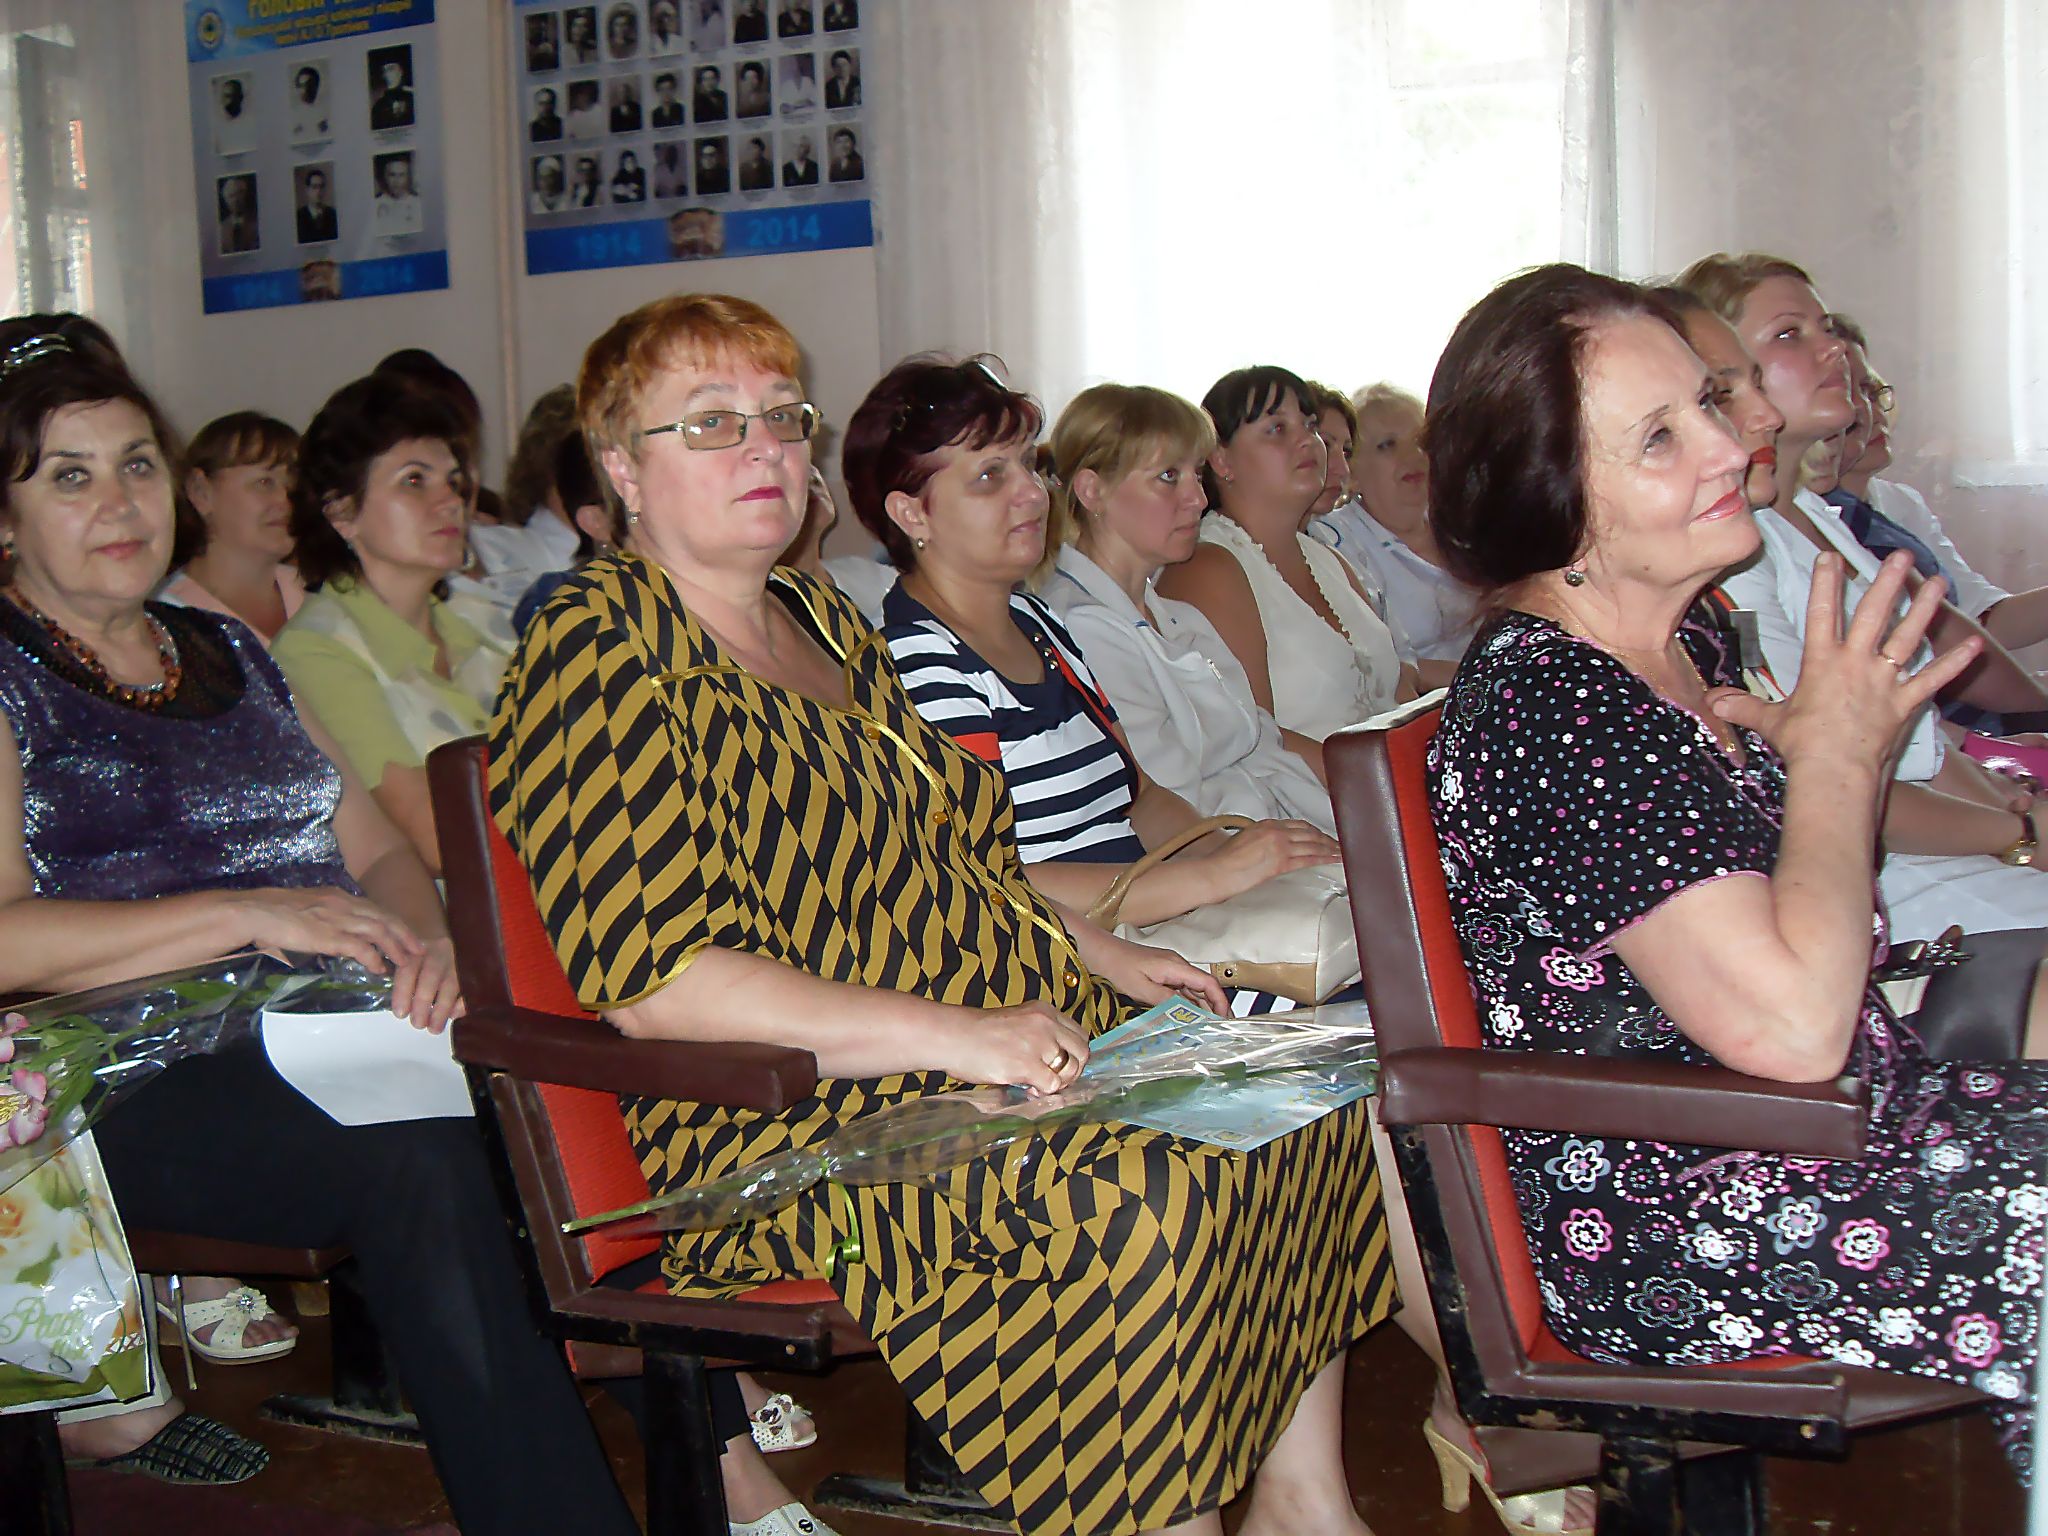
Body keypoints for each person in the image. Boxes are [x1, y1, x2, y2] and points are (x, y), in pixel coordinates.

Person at [491, 291, 1395, 1536]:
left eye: (779, 417)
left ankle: (1301, 1501)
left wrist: (1101, 951)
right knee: (1148, 1191)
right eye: (708, 423)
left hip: (976, 1039)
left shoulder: (817, 618)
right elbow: (663, 986)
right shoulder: (599, 651)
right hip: (790, 1118)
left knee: (1294, 1103)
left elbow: (955, 860)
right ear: (621, 469)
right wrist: (959, 1034)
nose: (763, 448)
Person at [0, 313, 635, 1532]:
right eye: (68, 477)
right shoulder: (8, 671)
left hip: (330, 1027)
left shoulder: (222, 647)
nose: (117, 502)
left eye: (136, 464)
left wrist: (430, 944)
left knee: (583, 1087)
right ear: (6, 519)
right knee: (425, 1166)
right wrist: (238, 913)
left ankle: (720, 1457)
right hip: (125, 1072)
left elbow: (380, 848)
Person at [1426, 259, 2048, 1483]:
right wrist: (1835, 758)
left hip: (1831, 1126)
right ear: (1555, 498)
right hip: (1680, 1211)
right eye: (1659, 436)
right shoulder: (1555, 704)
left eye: (1706, 404)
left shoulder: (1683, 642)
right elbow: (1789, 1030)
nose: (1726, 444)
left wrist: (1826, 757)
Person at [851, 356, 1344, 956]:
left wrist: (1244, 860)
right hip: (1061, 958)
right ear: (911, 513)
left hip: (1142, 918)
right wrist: (1210, 878)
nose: (1032, 492)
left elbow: (1142, 796)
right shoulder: (917, 663)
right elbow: (981, 879)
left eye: (1029, 465)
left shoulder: (1036, 622)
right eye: (990, 477)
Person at [1677, 256, 2048, 942]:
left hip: (1941, 838)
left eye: (1825, 327)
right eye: (1789, 335)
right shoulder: (1735, 555)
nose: (1834, 349)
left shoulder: (1818, 518)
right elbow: (1821, 779)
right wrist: (2019, 834)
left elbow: (1921, 739)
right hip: (1878, 878)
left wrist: (2013, 806)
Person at [1038, 383, 1333, 828]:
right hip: (1221, 853)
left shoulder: (1173, 615)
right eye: (1168, 477)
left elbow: (1261, 739)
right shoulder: (1078, 628)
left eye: (1197, 474)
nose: (1198, 498)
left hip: (1270, 829)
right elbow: (1167, 803)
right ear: (1092, 490)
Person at [271, 377, 512, 876]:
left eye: (453, 481)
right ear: (342, 511)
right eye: (414, 481)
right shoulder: (316, 653)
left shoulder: (489, 628)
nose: (450, 501)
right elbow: (438, 840)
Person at [1155, 366, 1404, 762]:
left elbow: (1394, 693)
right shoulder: (1207, 568)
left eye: (1309, 425)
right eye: (1276, 429)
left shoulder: (1328, 560)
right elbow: (1252, 740)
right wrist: (1380, 783)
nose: (1307, 440)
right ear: (1221, 460)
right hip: (1303, 795)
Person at [1307, 383, 1478, 689]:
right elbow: (1377, 664)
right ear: (1352, 471)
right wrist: (1485, 677)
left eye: (1420, 441)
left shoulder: (1463, 521)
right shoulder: (1334, 541)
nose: (1413, 455)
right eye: (1387, 445)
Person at [160, 411, 306, 641]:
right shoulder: (170, 621)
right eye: (264, 482)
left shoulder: (317, 593)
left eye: (293, 485)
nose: (285, 500)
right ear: (200, 491)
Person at [371, 153, 421, 237]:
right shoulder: (375, 204)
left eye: (401, 175)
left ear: (408, 177)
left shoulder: (418, 204)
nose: (396, 181)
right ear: (385, 176)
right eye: (392, 175)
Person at [212, 74, 255, 157]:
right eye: (223, 96)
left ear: (240, 98)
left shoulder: (249, 125)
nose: (223, 101)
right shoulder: (217, 127)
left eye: (228, 96)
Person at [369, 54, 415, 131]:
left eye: (391, 69)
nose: (388, 74)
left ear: (400, 72)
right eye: (385, 71)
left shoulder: (413, 96)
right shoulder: (379, 105)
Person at [217, 175, 258, 256]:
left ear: (245, 194)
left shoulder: (258, 221)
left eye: (239, 194)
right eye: (231, 196)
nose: (236, 200)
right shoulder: (221, 229)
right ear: (225, 200)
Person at [295, 166, 339, 243]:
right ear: (307, 190)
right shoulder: (298, 217)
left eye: (321, 187)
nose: (318, 191)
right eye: (314, 187)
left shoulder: (333, 214)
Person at [288, 64, 330, 143]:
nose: (302, 90)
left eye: (308, 85)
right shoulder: (294, 114)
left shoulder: (325, 112)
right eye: (299, 86)